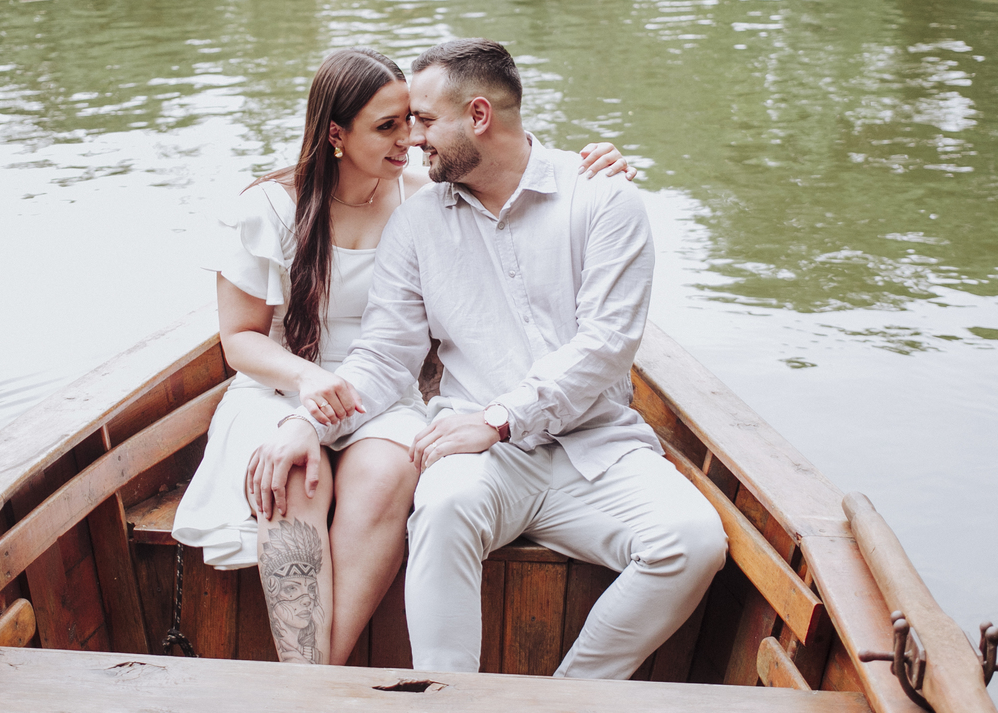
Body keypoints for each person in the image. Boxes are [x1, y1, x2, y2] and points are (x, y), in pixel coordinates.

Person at [251, 38, 727, 679]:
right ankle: (450, 700)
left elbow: (606, 344)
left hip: (598, 447)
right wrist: (308, 421)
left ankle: (566, 699)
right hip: (480, 458)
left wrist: (501, 418)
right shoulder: (417, 222)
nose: (413, 139)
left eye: (424, 120)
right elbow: (386, 354)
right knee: (443, 508)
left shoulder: (602, 199)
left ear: (478, 116)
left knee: (694, 542)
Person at [172, 46, 635, 666]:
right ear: (336, 135)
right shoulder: (268, 207)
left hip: (382, 388)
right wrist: (309, 382)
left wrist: (594, 164)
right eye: (388, 126)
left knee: (388, 474)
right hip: (282, 383)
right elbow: (239, 341)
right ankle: (310, 685)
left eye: (413, 120)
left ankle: (311, 688)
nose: (411, 139)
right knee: (297, 477)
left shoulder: (425, 197)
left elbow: (509, 170)